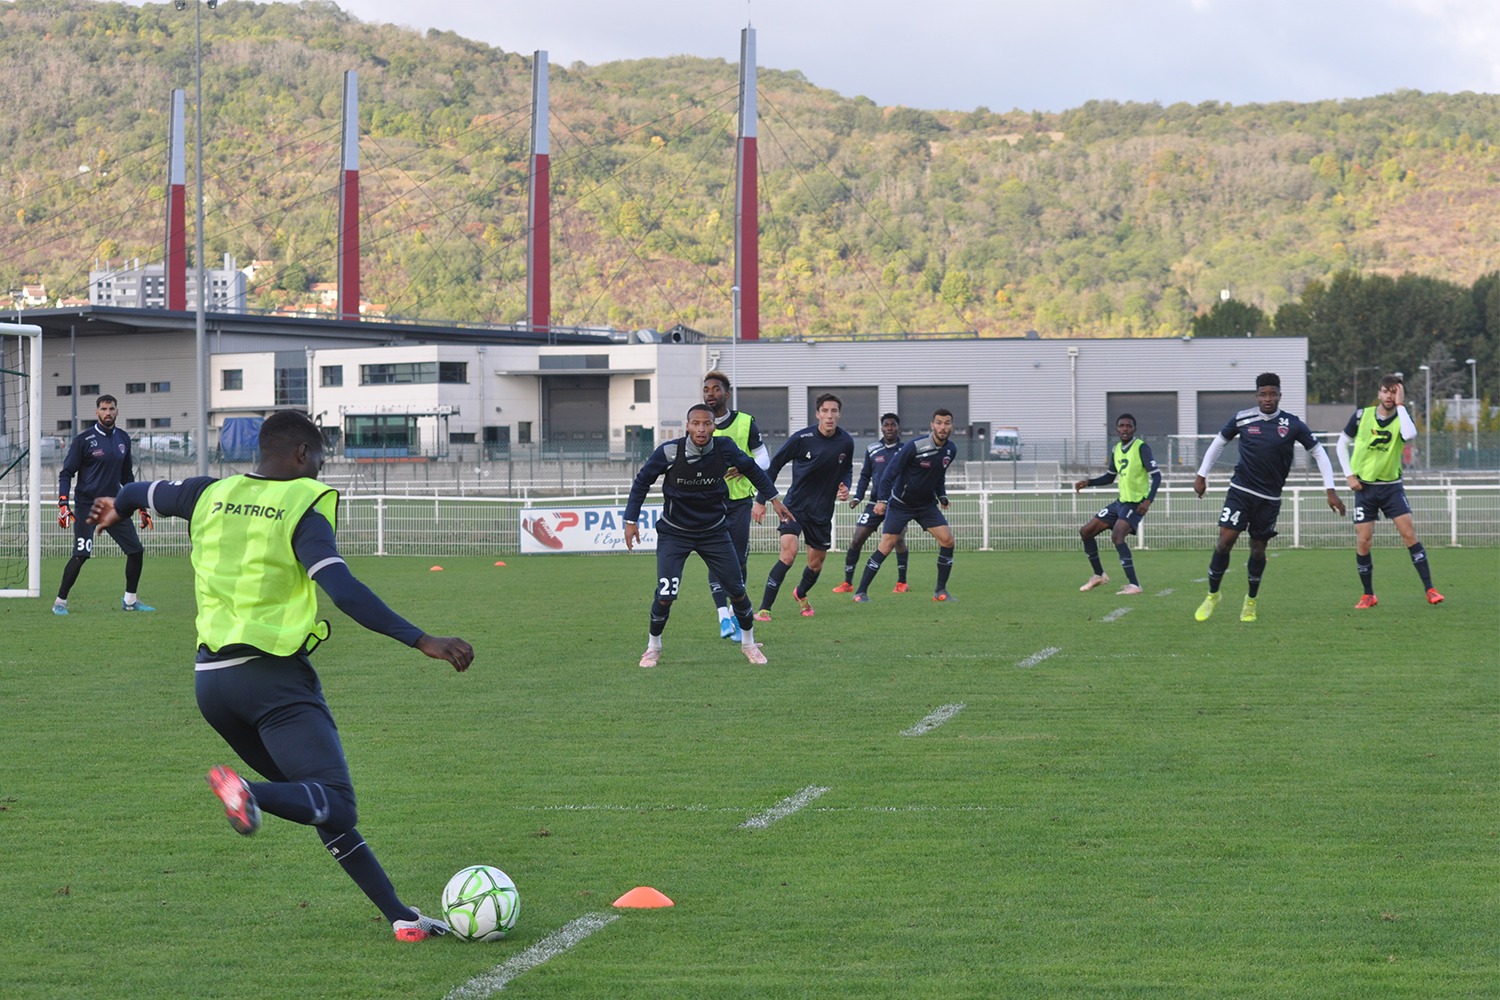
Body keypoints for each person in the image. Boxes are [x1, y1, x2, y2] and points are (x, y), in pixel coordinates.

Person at [87, 409, 474, 942]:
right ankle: (247, 791)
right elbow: (343, 589)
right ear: (299, 455)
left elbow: (137, 490)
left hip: (212, 684)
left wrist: (114, 508)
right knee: (334, 800)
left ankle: (402, 917)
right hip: (270, 681)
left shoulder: (207, 493)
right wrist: (422, 639)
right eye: (319, 459)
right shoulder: (302, 506)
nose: (319, 471)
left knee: (319, 804)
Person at [623, 404, 790, 667]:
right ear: (687, 426)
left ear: (714, 426)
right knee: (665, 594)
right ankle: (653, 647)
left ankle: (748, 644)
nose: (701, 429)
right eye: (696, 424)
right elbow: (642, 480)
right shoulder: (669, 451)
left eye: (707, 424)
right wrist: (630, 520)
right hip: (675, 533)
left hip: (714, 532)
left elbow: (754, 470)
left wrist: (773, 499)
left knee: (737, 592)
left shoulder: (725, 448)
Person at [1192, 372, 1345, 622]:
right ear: (1257, 395)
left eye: (1272, 394)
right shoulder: (1243, 418)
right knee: (1224, 541)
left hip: (1269, 499)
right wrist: (1201, 475)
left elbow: (1318, 452)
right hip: (1240, 491)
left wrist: (1331, 490)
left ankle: (1250, 601)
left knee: (1257, 550)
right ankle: (1212, 595)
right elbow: (1219, 442)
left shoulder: (1292, 424)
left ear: (1279, 396)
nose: (1268, 398)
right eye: (1263, 394)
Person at [1336, 374, 1443, 607]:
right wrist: (1348, 475)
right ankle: (1368, 594)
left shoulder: (1402, 419)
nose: (1389, 396)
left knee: (1409, 535)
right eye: (1386, 391)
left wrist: (1401, 405)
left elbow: (1410, 435)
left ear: (1399, 394)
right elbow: (1341, 444)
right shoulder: (1361, 416)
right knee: (1364, 540)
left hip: (1391, 487)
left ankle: (1430, 589)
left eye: (1394, 391)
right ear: (1379, 393)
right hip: (1365, 488)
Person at [753, 393, 855, 621]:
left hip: (822, 513)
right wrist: (761, 500)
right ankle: (764, 609)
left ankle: (800, 593)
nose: (829, 416)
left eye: (834, 411)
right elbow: (774, 465)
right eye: (825, 411)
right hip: (794, 508)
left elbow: (847, 470)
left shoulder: (846, 442)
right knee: (788, 555)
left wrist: (845, 486)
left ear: (839, 414)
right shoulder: (802, 438)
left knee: (816, 565)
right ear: (817, 414)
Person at [54, 394, 153, 615]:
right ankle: (59, 602)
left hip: (114, 507)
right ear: (97, 412)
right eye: (103, 408)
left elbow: (127, 477)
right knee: (81, 555)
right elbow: (66, 473)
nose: (108, 412)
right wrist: (63, 504)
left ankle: (130, 601)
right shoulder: (84, 440)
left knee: (136, 551)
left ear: (117, 412)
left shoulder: (123, 439)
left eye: (111, 408)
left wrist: (141, 507)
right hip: (87, 506)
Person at [853, 408, 960, 602]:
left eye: (947, 423)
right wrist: (882, 501)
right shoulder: (914, 446)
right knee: (886, 546)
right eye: (939, 423)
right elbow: (889, 474)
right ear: (932, 425)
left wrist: (942, 495)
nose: (942, 427)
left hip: (926, 506)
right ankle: (860, 592)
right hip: (901, 504)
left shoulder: (951, 449)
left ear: (952, 426)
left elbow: (938, 474)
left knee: (948, 541)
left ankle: (940, 592)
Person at [700, 371, 771, 641]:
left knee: (738, 559)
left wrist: (745, 468)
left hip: (740, 501)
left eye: (715, 389)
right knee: (715, 555)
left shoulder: (745, 422)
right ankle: (722, 618)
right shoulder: (699, 423)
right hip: (709, 502)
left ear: (726, 395)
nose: (710, 393)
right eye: (706, 389)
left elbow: (763, 458)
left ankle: (733, 614)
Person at [1073, 413, 1161, 596]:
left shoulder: (1141, 448)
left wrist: (1148, 501)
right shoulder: (1116, 450)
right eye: (1121, 426)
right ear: (1116, 429)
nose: (1125, 429)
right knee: (1086, 531)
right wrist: (1089, 482)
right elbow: (1110, 477)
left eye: (1129, 426)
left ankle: (1134, 585)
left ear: (1134, 429)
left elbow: (1157, 476)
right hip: (1120, 503)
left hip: (1136, 504)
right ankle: (1099, 575)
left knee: (1117, 535)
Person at [832, 413, 909, 594]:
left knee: (898, 540)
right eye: (886, 425)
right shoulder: (873, 449)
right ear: (881, 428)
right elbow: (865, 475)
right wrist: (858, 497)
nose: (890, 428)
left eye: (893, 425)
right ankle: (847, 583)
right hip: (874, 503)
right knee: (857, 539)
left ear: (898, 427)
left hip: (897, 504)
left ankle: (902, 582)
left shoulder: (906, 449)